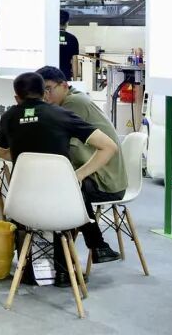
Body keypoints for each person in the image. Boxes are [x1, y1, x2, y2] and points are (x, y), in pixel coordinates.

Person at [0, 72, 119, 287]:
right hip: (61, 204)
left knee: (37, 215)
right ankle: (66, 271)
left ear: (17, 97)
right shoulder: (62, 115)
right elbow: (109, 146)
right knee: (70, 198)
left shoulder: (8, 117)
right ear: (44, 93)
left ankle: (27, 271)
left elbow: (1, 152)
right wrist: (79, 174)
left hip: (21, 205)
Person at [36, 66, 127, 265]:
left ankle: (66, 262)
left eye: (49, 89)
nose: (46, 96)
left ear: (64, 85)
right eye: (42, 91)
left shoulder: (73, 103)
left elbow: (56, 141)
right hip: (95, 173)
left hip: (106, 179)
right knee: (66, 188)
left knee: (66, 191)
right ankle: (93, 248)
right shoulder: (70, 101)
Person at [59, 9, 80, 80]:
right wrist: (75, 80)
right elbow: (74, 61)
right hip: (65, 76)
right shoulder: (72, 38)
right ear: (67, 22)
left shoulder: (49, 37)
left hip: (50, 76)